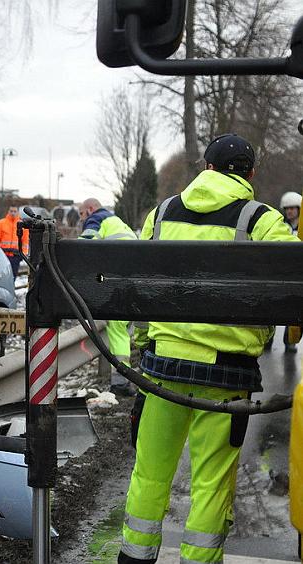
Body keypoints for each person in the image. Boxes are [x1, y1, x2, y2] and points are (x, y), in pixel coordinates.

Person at [119, 133, 298, 564]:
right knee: (212, 482)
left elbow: (141, 292)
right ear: (251, 174)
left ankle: (134, 556)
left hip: (162, 373)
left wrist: (142, 350)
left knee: (149, 473)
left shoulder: (161, 214)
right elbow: (297, 280)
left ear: (207, 168)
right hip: (226, 379)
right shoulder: (262, 221)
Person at [78, 198, 137, 395]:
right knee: (121, 330)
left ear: (90, 209)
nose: (81, 219)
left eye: (81, 214)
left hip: (116, 282)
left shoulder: (97, 219)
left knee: (117, 331)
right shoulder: (117, 221)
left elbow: (82, 248)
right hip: (131, 281)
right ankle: (123, 381)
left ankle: (120, 383)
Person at [278, 191, 302, 352]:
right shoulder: (281, 227)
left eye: (293, 208)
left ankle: (290, 340)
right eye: (287, 209)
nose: (290, 211)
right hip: (283, 272)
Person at [0, 206, 29, 277]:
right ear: (8, 211)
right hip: (3, 255)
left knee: (13, 276)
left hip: (16, 256)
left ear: (18, 212)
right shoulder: (0, 224)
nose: (13, 213)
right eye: (11, 211)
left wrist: (22, 255)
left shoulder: (22, 225)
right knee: (2, 276)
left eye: (15, 211)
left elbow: (25, 242)